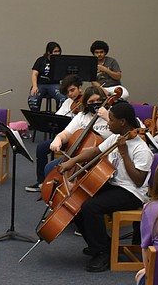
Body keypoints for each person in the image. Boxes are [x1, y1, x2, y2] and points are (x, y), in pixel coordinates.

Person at [57, 101, 152, 272]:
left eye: (111, 120)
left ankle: (103, 253)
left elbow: (138, 181)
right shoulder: (116, 138)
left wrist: (124, 153)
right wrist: (72, 161)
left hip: (132, 193)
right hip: (114, 185)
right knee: (76, 202)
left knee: (91, 207)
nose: (108, 123)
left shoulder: (141, 149)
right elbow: (96, 151)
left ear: (122, 122)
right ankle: (102, 244)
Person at [26, 83, 111, 193]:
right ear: (86, 103)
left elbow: (125, 132)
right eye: (91, 102)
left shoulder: (112, 115)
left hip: (102, 157)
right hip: (80, 155)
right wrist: (58, 139)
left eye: (99, 101)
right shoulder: (82, 116)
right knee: (49, 168)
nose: (95, 104)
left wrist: (108, 117)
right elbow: (66, 134)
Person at [28, 41, 64, 111]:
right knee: (33, 101)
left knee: (62, 99)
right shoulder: (40, 60)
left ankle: (58, 116)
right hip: (40, 84)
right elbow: (34, 74)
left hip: (54, 84)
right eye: (55, 51)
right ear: (49, 52)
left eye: (58, 51)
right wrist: (34, 86)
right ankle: (36, 116)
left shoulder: (60, 61)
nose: (57, 53)